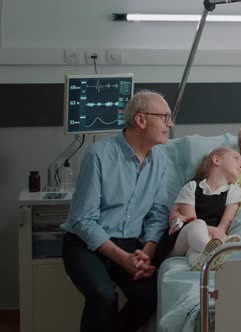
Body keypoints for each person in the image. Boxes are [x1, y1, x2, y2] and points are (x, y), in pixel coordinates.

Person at [62, 90, 172, 332]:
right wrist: (123, 259)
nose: (170, 124)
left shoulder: (160, 160)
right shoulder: (99, 155)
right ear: (141, 120)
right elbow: (82, 220)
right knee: (103, 296)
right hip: (84, 244)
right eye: (164, 117)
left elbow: (158, 212)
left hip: (131, 244)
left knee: (149, 294)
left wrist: (148, 251)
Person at [153, 146, 241, 271]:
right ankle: (216, 252)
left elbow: (225, 224)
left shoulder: (234, 191)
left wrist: (217, 234)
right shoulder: (192, 187)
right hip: (179, 240)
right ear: (217, 160)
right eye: (236, 158)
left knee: (195, 254)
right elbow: (191, 219)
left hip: (207, 239)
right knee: (198, 224)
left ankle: (202, 262)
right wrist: (214, 234)